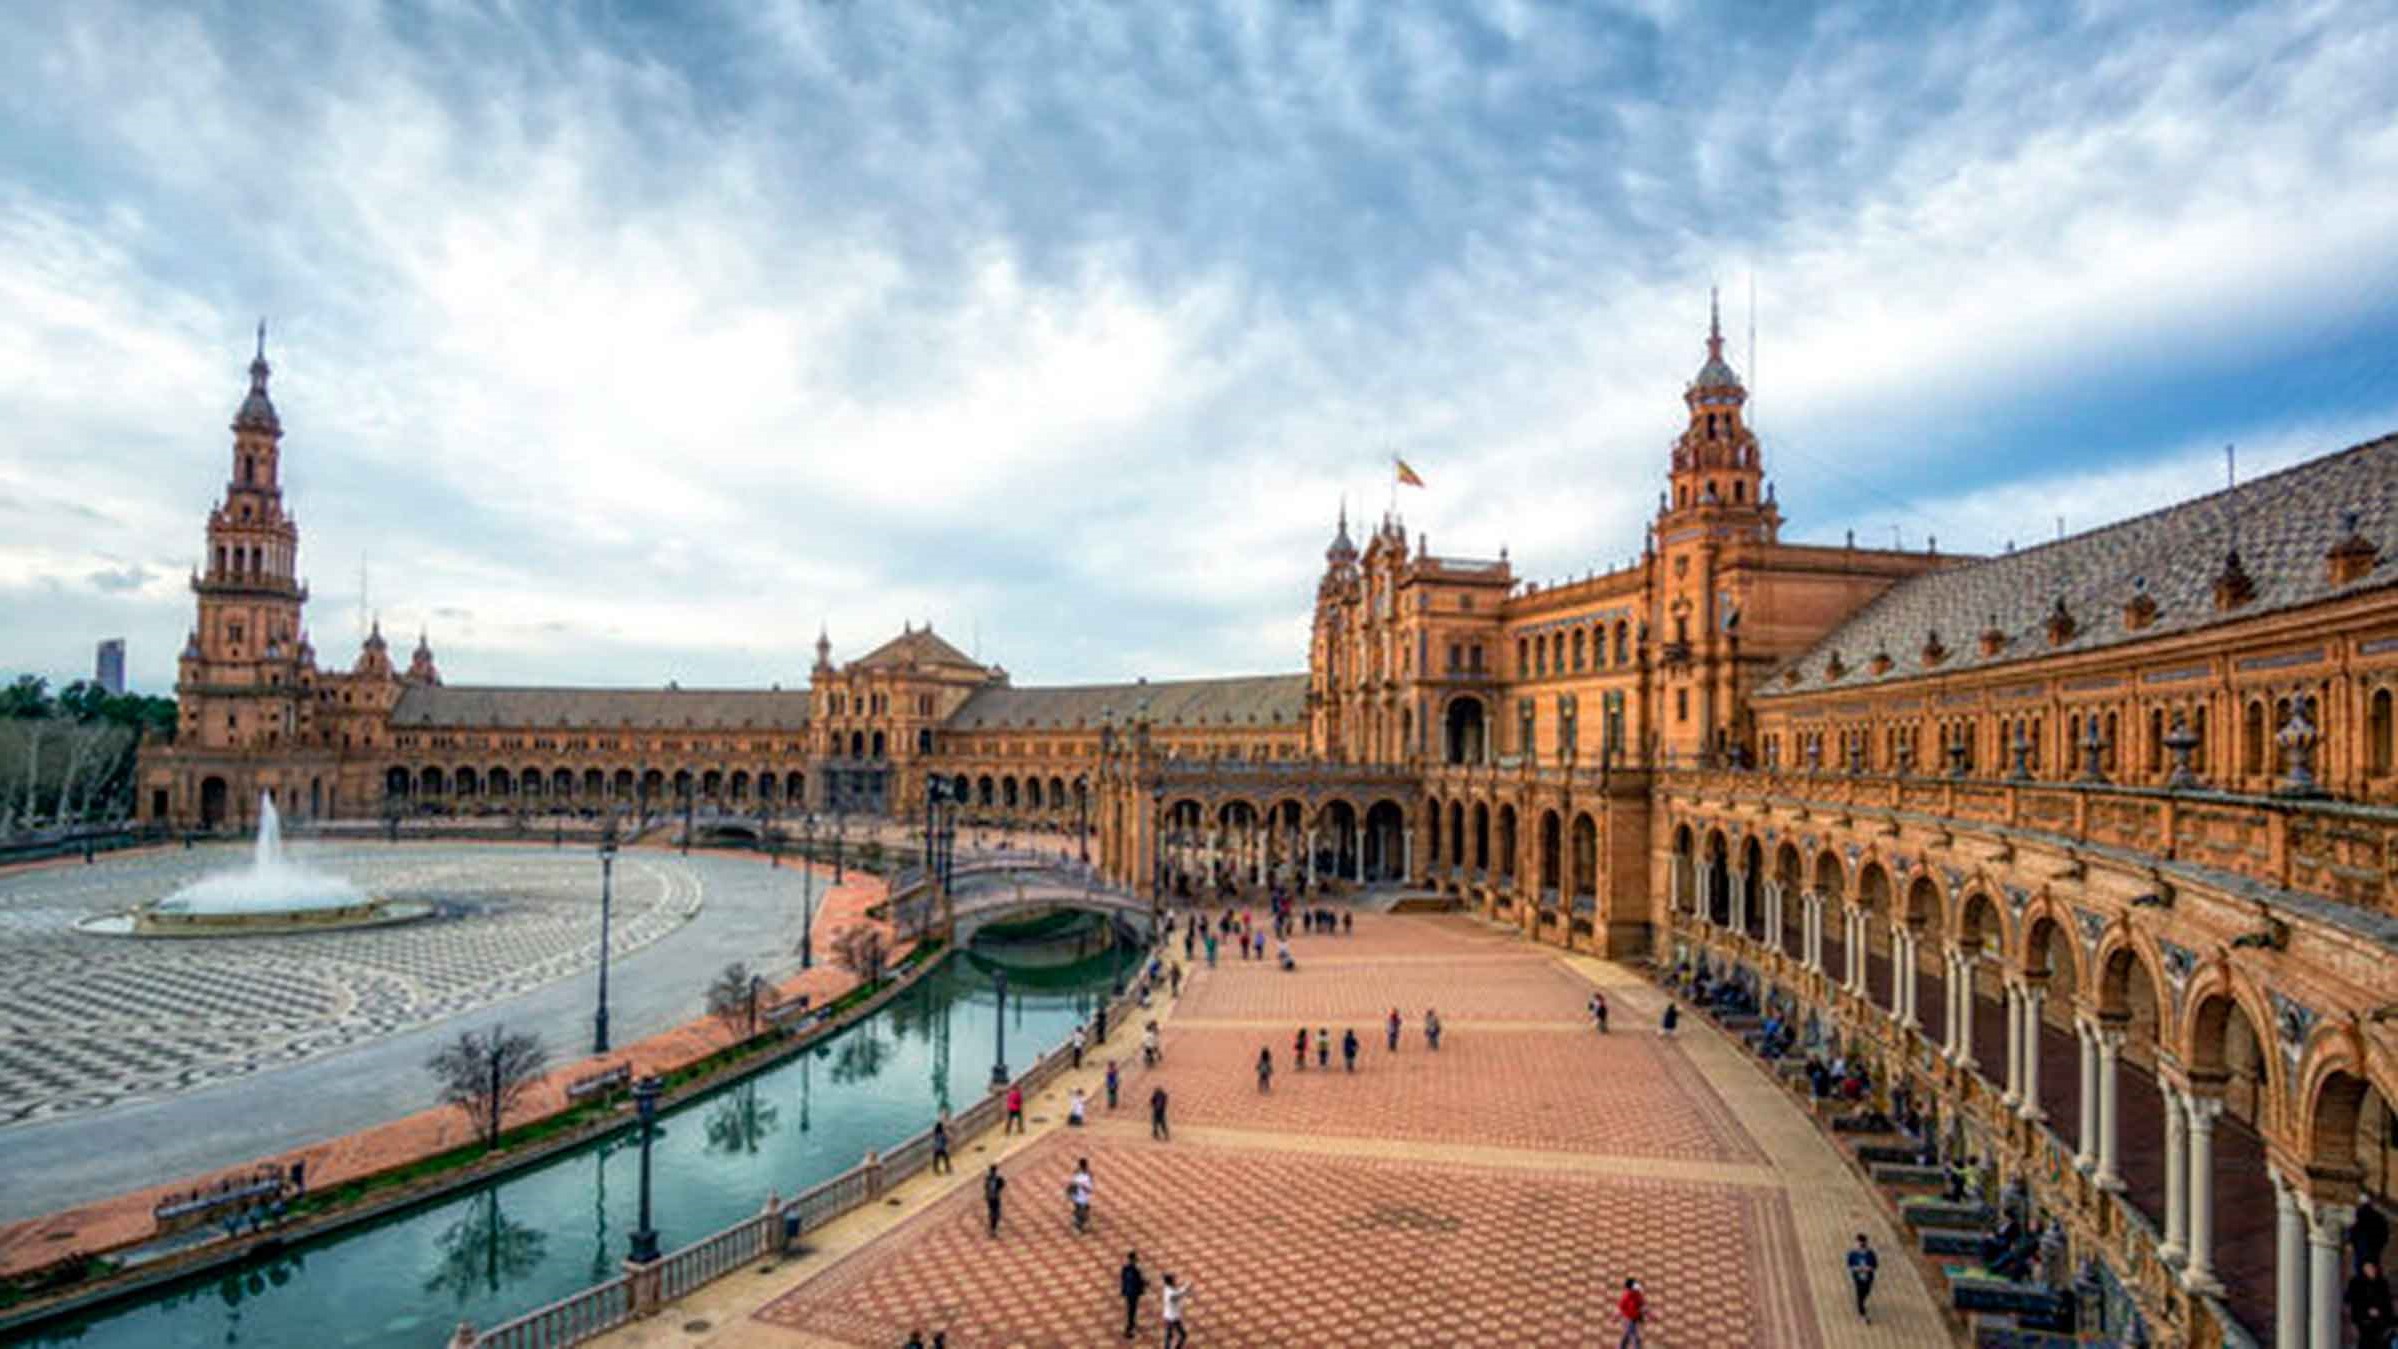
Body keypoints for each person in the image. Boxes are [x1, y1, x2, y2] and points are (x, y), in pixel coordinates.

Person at [1848, 1232, 1879, 1321]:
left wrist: (1868, 1268)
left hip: (1868, 1277)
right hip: (1857, 1277)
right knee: (1859, 1294)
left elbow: (1875, 1265)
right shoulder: (1853, 1254)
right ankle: (1862, 1313)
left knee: (1866, 1291)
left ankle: (1861, 1304)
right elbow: (1850, 1266)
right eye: (1857, 1243)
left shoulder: (1870, 1254)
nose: (1858, 1245)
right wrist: (1857, 1269)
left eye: (1860, 1243)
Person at [1119, 1250, 1149, 1340]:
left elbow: (1123, 1279)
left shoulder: (1125, 1268)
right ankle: (1128, 1329)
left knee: (1131, 1309)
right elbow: (1139, 1281)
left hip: (1128, 1292)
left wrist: (1123, 1290)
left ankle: (1131, 1323)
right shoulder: (1135, 1269)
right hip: (1133, 1292)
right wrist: (1145, 1283)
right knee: (1132, 1309)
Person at [1160, 1272, 1191, 1349]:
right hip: (1172, 1318)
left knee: (1169, 1336)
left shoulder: (1167, 1288)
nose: (1175, 1280)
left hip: (1169, 1316)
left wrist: (1186, 1291)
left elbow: (1179, 1294)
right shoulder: (1170, 1293)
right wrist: (1186, 1287)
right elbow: (1178, 1294)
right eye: (1173, 1279)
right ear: (1170, 1281)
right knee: (1182, 1335)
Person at [1615, 1277, 1646, 1348]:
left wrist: (1649, 1314)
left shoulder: (1637, 1294)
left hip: (1634, 1319)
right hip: (1628, 1320)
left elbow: (1642, 1305)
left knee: (1626, 1336)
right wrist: (1616, 1317)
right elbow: (1621, 1308)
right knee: (1635, 1338)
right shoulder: (1626, 1297)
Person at [1068, 1158, 1095, 1234]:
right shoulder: (1087, 1175)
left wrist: (1070, 1194)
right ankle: (1077, 1227)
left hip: (1079, 1197)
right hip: (1080, 1197)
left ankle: (1077, 1220)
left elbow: (1072, 1185)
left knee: (1083, 1208)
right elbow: (1088, 1189)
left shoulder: (1079, 1174)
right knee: (1081, 1212)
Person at [983, 1164, 1006, 1238]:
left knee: (992, 1211)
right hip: (995, 1197)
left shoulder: (988, 1177)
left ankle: (993, 1227)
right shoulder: (998, 1178)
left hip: (990, 1197)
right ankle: (993, 1229)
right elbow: (1002, 1185)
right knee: (996, 1212)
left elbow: (985, 1186)